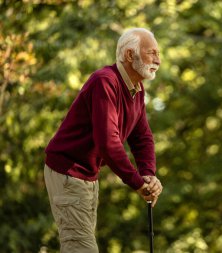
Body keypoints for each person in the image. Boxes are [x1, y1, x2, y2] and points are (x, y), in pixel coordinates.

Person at [44, 27, 163, 253]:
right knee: (81, 248)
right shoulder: (105, 81)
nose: (158, 59)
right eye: (152, 53)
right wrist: (137, 183)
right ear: (130, 55)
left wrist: (148, 173)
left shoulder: (137, 89)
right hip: (68, 172)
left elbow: (142, 137)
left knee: (80, 245)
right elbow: (108, 142)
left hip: (89, 176)